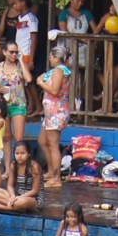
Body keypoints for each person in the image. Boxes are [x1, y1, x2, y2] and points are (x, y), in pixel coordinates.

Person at [36, 44, 73, 187]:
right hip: (50, 113)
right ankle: (51, 171)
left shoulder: (59, 70)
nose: (50, 59)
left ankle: (56, 178)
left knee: (53, 145)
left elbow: (55, 90)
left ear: (56, 57)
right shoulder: (57, 70)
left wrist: (40, 83)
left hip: (56, 112)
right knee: (42, 141)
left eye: (51, 56)